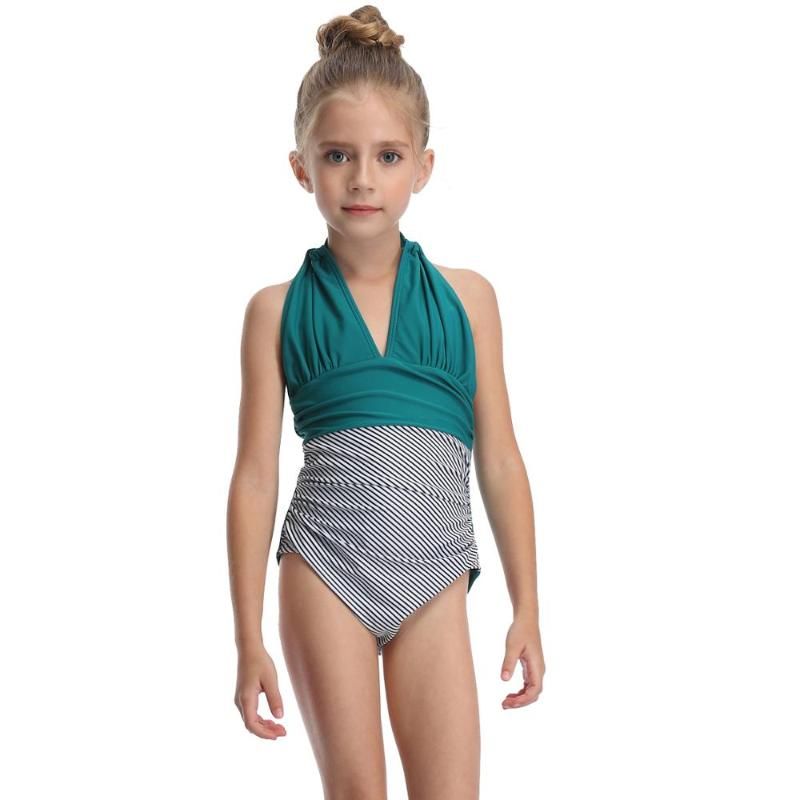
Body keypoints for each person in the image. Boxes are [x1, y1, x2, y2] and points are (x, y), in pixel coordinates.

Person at [227, 6, 544, 798]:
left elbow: (501, 460)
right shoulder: (276, 310)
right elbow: (255, 477)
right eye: (337, 155)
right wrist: (246, 637)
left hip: (435, 572)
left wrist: (527, 605)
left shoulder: (468, 301)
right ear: (301, 167)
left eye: (387, 156)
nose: (362, 178)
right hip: (324, 568)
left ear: (423, 167)